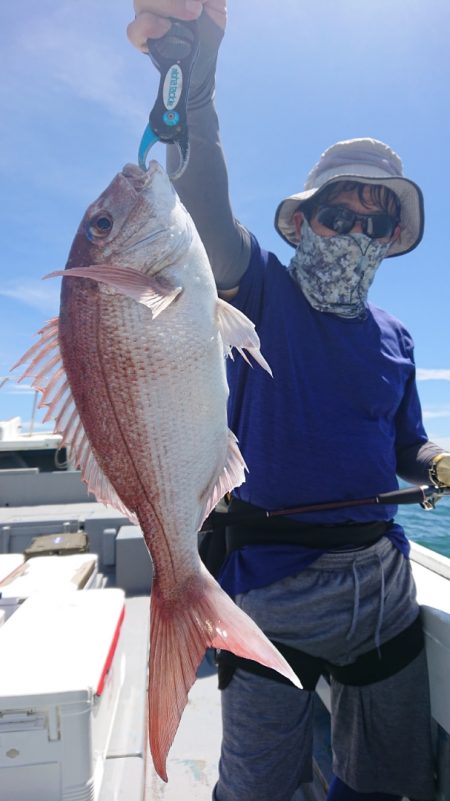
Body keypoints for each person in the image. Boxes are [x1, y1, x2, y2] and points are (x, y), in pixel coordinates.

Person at [128, 4, 450, 800]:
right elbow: (205, 211)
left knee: (390, 781)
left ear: (392, 239)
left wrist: (438, 459)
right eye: (339, 215)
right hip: (270, 589)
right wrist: (194, 85)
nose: (356, 234)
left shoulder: (397, 336)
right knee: (258, 788)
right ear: (302, 223)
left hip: (385, 587)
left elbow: (404, 444)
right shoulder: (260, 288)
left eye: (376, 223)